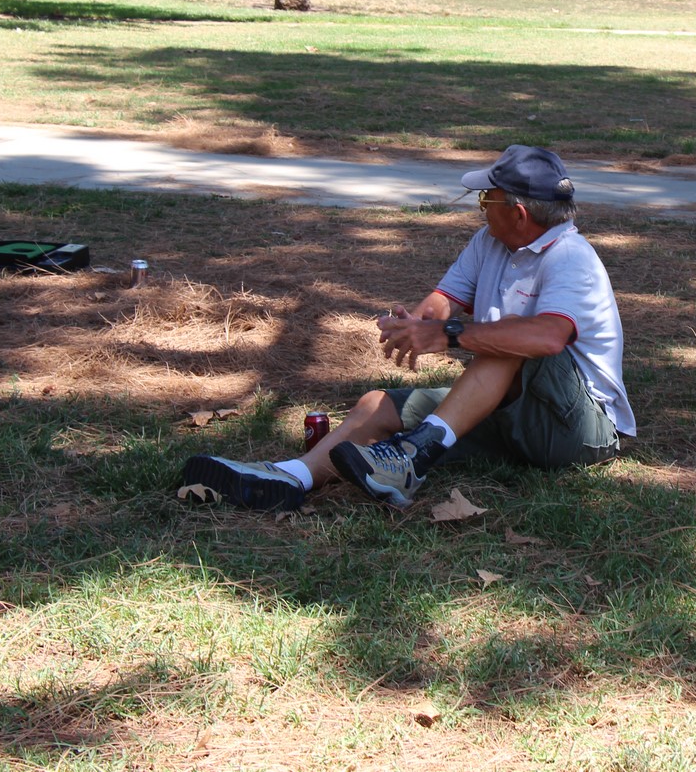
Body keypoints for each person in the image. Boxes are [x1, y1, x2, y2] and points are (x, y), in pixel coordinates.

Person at [179, 144, 635, 510]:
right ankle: (291, 477)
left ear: (519, 213)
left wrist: (450, 335)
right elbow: (446, 299)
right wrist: (419, 324)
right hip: (517, 413)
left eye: (486, 198)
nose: (479, 207)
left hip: (582, 432)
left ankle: (413, 457)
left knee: (511, 339)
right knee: (377, 405)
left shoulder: (571, 258)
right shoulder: (489, 242)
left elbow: (547, 336)